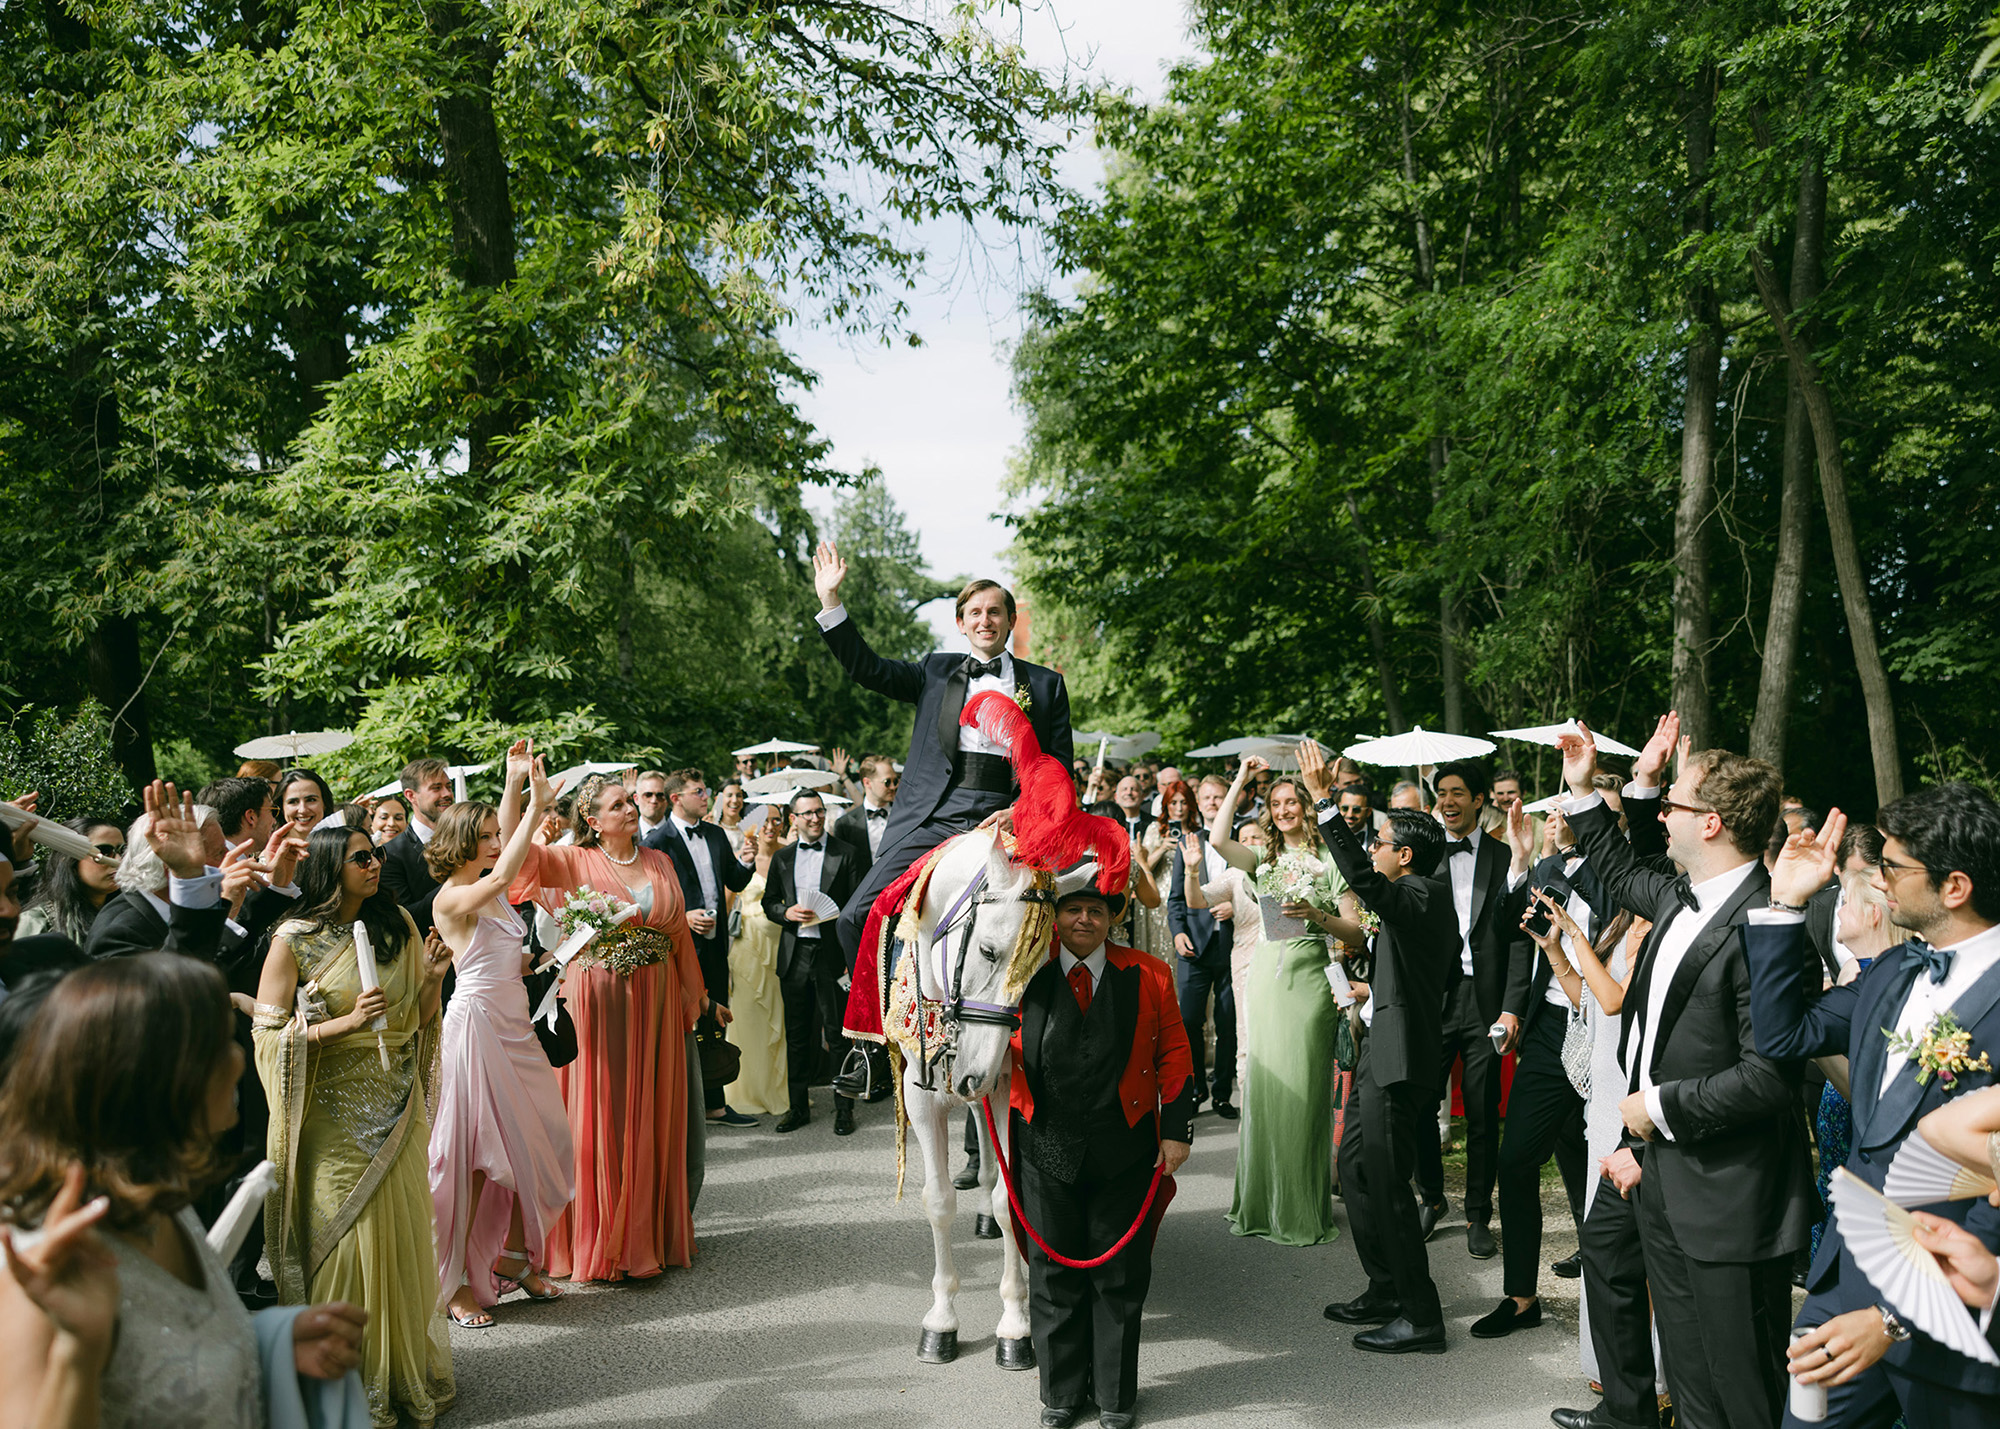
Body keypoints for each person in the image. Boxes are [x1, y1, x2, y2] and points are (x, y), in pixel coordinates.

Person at [1550, 714, 1815, 1429]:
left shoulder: (1771, 925)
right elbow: (1617, 866)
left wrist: (1656, 1108)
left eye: (1673, 804)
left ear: (1712, 823)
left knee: (1743, 1391)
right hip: (1663, 1173)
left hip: (1731, 1197)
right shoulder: (1676, 897)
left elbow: (1769, 1077)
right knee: (1694, 1386)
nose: (1660, 813)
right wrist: (1584, 788)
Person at [0, 955, 369, 1429]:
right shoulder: (40, 1267)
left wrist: (273, 1343)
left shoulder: (156, 1196)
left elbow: (172, 1350)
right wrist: (76, 1352)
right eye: (219, 1045)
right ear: (152, 1077)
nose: (239, 1059)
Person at [1746, 785, 2000, 1428]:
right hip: (1846, 1279)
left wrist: (1894, 1318)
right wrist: (1785, 904)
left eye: (1892, 866)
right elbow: (1782, 1035)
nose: (1877, 880)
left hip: (1956, 1311)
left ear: (1955, 887)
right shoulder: (1892, 971)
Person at [252, 824, 455, 1427]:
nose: (375, 864)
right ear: (328, 868)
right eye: (361, 857)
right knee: (341, 1247)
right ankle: (344, 1384)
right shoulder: (293, 939)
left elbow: (414, 1022)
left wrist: (431, 980)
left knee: (400, 1242)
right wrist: (342, 1026)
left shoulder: (398, 924)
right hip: (330, 1115)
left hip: (394, 1107)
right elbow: (266, 1036)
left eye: (377, 854)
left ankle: (394, 1377)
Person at [814, 542, 1073, 976]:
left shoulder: (1046, 685)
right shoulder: (934, 670)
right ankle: (880, 1016)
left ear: (1011, 620)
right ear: (961, 623)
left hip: (1008, 819)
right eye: (975, 613)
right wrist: (830, 602)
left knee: (1040, 930)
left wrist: (1020, 812)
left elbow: (1059, 769)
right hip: (933, 815)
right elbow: (868, 669)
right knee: (855, 917)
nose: (985, 620)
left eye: (995, 612)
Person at [506, 772, 712, 1282]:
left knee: (651, 1111)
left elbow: (679, 937)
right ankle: (595, 1239)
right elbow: (513, 858)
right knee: (602, 1113)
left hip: (657, 1002)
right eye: (618, 804)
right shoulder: (573, 861)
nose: (629, 809)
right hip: (597, 999)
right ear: (593, 821)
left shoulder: (660, 860)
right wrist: (522, 796)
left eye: (629, 802)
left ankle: (647, 1235)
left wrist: (698, 995)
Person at [1008, 870, 1193, 1429]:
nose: (1084, 919)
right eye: (1073, 909)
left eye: (1096, 910)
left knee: (1119, 1274)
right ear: (1054, 917)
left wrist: (1176, 1130)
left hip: (1125, 1145)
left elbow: (1175, 1051)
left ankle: (1114, 1396)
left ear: (1113, 918)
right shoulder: (1022, 973)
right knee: (1052, 1272)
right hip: (1044, 1143)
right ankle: (1061, 1394)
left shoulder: (1150, 973)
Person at [1306, 739, 1456, 1356]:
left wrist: (1324, 805)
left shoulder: (1424, 892)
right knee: (1356, 1168)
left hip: (1402, 1059)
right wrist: (1371, 985)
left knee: (1389, 1183)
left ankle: (1422, 1317)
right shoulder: (1415, 900)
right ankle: (1386, 1287)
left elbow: (1366, 883)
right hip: (1381, 1046)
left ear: (1406, 855)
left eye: (1381, 841)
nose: (1372, 847)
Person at [425, 745, 576, 1329]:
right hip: (476, 1029)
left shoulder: (495, 894)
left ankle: (514, 1257)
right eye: (485, 836)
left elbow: (507, 867)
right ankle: (456, 1282)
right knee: (474, 1159)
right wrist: (537, 806)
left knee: (545, 1142)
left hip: (516, 1029)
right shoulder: (453, 898)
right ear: (462, 841)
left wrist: (514, 782)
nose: (496, 841)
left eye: (495, 834)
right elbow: (508, 870)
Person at [1217, 751, 1362, 1247]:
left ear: (1305, 805)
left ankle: (1300, 1207)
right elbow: (1217, 840)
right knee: (1265, 1090)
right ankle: (1260, 1203)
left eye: (1290, 802)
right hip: (1266, 978)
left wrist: (1316, 916)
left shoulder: (1330, 861)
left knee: (1303, 1093)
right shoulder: (1264, 860)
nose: (1283, 810)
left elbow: (1356, 932)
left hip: (1310, 982)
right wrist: (1242, 778)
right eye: (1275, 803)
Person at [1474, 803, 1594, 1338]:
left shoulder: (1625, 872)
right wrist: (1521, 862)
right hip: (1551, 1025)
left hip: (1610, 1027)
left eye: (1577, 809)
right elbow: (1509, 932)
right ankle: (1522, 1298)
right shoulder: (1547, 870)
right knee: (1517, 1158)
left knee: (1600, 1161)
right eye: (1560, 810)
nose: (1562, 819)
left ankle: (1615, 1295)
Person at [1412, 760, 1520, 1260]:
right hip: (1432, 996)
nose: (1447, 801)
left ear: (1479, 799)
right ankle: (1431, 1198)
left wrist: (1512, 1007)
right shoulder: (1421, 856)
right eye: (1441, 793)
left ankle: (1479, 1212)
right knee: (1420, 1102)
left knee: (1480, 1109)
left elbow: (1520, 938)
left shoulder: (1506, 856)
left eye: (1457, 792)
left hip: (1486, 1000)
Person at [642, 767, 756, 1126]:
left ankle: (715, 1105)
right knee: (678, 1023)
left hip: (715, 945)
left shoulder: (717, 834)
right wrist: (684, 916)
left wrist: (746, 862)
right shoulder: (655, 842)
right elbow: (649, 899)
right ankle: (678, 1108)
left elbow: (734, 881)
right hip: (677, 947)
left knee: (716, 1017)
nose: (707, 797)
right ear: (676, 798)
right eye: (699, 792)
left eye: (705, 790)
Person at [764, 791, 864, 1133]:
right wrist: (785, 912)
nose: (815, 818)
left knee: (837, 1034)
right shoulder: (782, 858)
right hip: (795, 955)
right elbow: (768, 902)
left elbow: (857, 909)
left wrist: (852, 956)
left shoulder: (846, 853)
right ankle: (797, 1108)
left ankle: (844, 1109)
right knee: (797, 1035)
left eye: (819, 811)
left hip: (832, 955)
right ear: (793, 819)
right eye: (807, 813)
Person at [1164, 778, 1237, 1119]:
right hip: (1193, 945)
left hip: (1233, 944)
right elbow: (1176, 898)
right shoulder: (1187, 841)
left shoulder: (1241, 838)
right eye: (1206, 797)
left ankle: (1222, 1093)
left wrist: (1237, 906)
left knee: (1228, 1022)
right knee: (1189, 1020)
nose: (1212, 802)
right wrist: (1178, 933)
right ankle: (1195, 1089)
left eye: (1218, 796)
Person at [1182, 819, 1265, 1102]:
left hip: (1275, 962)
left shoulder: (1283, 870)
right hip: (1243, 963)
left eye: (1257, 836)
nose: (1251, 843)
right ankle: (1250, 1103)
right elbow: (1195, 901)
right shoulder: (1233, 875)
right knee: (1245, 1034)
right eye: (1245, 838)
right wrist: (1192, 870)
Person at [724, 814, 789, 1117]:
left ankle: (777, 1090)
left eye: (776, 819)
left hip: (781, 948)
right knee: (749, 1019)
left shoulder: (788, 855)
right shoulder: (742, 858)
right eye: (764, 820)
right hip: (748, 951)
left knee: (779, 1019)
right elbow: (725, 903)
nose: (770, 826)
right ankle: (746, 1091)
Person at [379, 759, 455, 936]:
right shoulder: (390, 855)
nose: (446, 794)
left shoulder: (467, 838)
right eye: (436, 788)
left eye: (448, 786)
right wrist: (457, 882)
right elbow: (405, 917)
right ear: (411, 795)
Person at [17, 817, 122, 943]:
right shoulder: (36, 923)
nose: (119, 860)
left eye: (123, 850)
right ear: (68, 859)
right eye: (105, 852)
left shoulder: (129, 915)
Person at [832, 754, 899, 875]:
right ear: (867, 782)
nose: (893, 787)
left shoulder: (905, 816)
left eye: (896, 781)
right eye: (887, 782)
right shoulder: (845, 824)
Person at [274, 768, 335, 840]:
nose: (302, 810)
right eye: (293, 802)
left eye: (311, 800)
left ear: (325, 804)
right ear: (281, 807)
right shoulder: (270, 846)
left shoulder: (343, 844)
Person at [633, 771, 670, 841]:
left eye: (660, 796)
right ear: (636, 799)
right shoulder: (625, 834)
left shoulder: (680, 833)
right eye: (648, 795)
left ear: (668, 800)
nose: (653, 801)